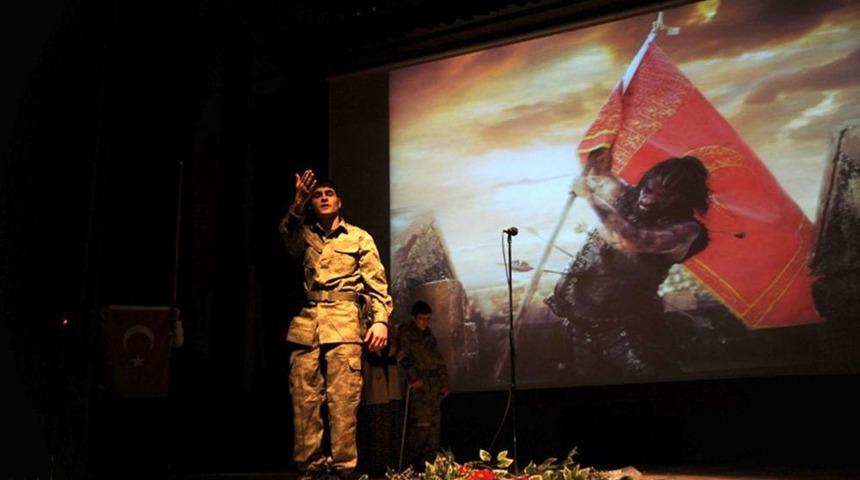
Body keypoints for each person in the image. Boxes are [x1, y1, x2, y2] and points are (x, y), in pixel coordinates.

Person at [545, 147, 710, 381]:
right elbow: (606, 182)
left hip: (632, 336)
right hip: (581, 329)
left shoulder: (686, 230)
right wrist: (597, 164)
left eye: (667, 195)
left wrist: (590, 197)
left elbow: (630, 240)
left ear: (687, 199)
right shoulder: (632, 199)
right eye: (649, 188)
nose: (650, 198)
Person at [279, 169, 393, 479]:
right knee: (304, 399)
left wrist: (380, 321)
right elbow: (286, 237)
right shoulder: (304, 234)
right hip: (307, 323)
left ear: (339, 202)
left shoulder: (358, 237)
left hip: (344, 322)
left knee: (343, 401)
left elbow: (377, 285)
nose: (323, 198)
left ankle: (345, 469)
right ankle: (310, 467)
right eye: (317, 195)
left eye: (329, 194)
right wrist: (297, 201)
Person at [396, 300, 448, 469]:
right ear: (414, 317)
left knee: (433, 428)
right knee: (420, 427)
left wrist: (444, 382)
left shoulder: (428, 335)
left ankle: (429, 466)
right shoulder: (406, 333)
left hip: (433, 385)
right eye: (421, 318)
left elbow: (438, 360)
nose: (424, 322)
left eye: (427, 319)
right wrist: (413, 378)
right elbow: (403, 358)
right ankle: (413, 466)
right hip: (419, 385)